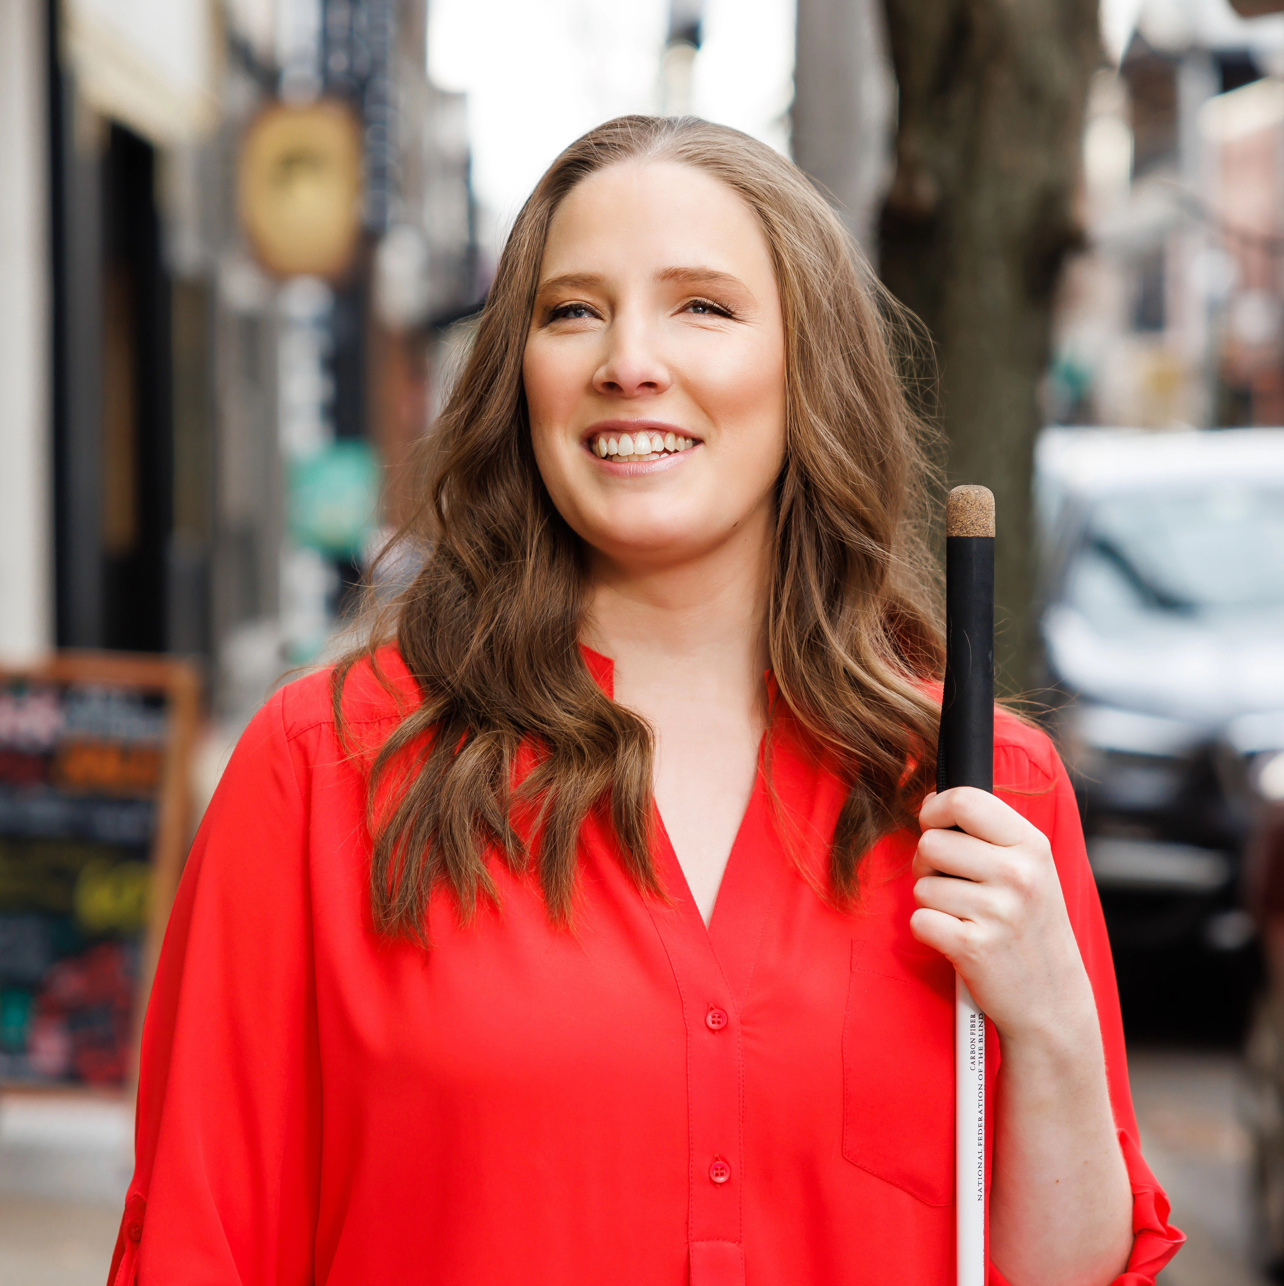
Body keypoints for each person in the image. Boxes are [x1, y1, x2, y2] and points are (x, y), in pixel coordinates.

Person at [107, 116, 1181, 1286]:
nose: (629, 358)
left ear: (807, 368)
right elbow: (198, 1247)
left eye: (703, 306)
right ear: (520, 376)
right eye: (572, 310)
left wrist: (1055, 1028)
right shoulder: (321, 771)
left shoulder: (984, 791)